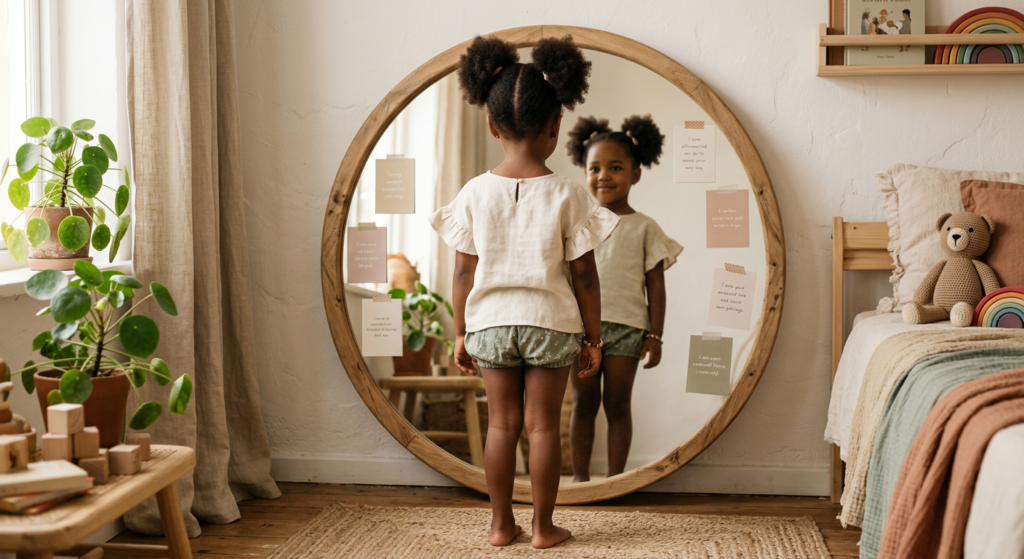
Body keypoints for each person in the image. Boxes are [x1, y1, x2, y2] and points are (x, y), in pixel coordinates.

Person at [430, 35, 618, 550]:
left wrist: (461, 333)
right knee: (540, 428)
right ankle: (541, 528)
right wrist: (594, 339)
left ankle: (498, 526)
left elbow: (463, 273)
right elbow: (585, 277)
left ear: (492, 126)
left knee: (501, 426)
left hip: (489, 323)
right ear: (556, 127)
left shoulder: (473, 192)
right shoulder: (569, 192)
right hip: (550, 322)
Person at [564, 115, 683, 482]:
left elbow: (656, 287)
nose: (604, 176)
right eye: (595, 167)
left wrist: (655, 336)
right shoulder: (576, 225)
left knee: (617, 404)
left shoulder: (646, 227)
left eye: (615, 167)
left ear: (635, 174)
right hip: (580, 328)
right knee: (584, 403)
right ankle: (581, 481)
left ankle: (615, 480)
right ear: (584, 173)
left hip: (629, 329)